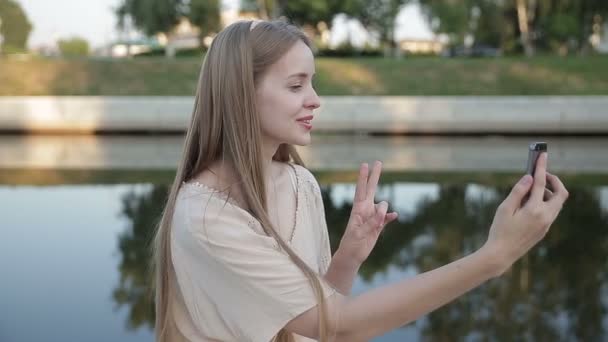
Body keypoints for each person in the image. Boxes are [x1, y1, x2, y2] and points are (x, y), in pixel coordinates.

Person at [151, 19, 569, 342]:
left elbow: (314, 324)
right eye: (297, 85)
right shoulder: (205, 217)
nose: (315, 99)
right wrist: (494, 256)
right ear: (240, 93)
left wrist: (348, 256)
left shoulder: (299, 183)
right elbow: (341, 327)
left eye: (312, 82)